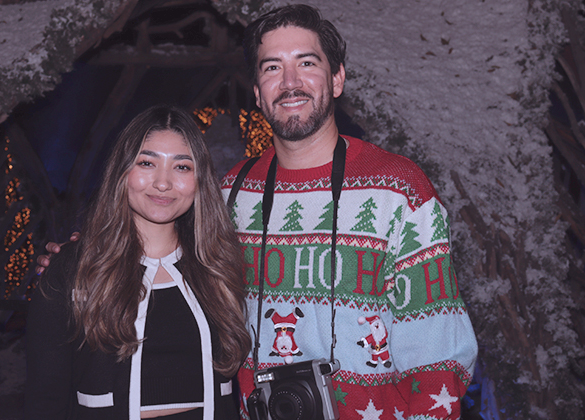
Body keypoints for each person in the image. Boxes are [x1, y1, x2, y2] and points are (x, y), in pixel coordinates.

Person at [38, 5, 478, 419]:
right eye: (272, 68)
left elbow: (439, 349)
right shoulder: (231, 193)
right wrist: (81, 260)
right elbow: (159, 246)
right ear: (258, 93)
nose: (290, 81)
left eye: (307, 63)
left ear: (337, 79)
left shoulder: (397, 188)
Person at [25, 105, 251, 420]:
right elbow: (44, 399)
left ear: (200, 179)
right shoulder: (72, 270)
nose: (163, 183)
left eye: (182, 167)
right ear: (122, 171)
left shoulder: (219, 266)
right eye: (147, 163)